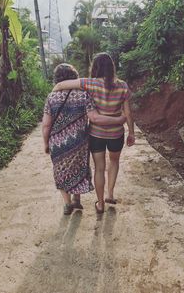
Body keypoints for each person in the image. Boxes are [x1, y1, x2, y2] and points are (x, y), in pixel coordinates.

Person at [53, 53, 135, 214]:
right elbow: (128, 113)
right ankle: (110, 194)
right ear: (112, 67)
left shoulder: (89, 83)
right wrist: (131, 133)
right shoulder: (123, 86)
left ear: (95, 67)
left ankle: (101, 204)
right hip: (116, 134)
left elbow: (62, 85)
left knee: (99, 168)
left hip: (96, 134)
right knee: (114, 162)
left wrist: (55, 91)